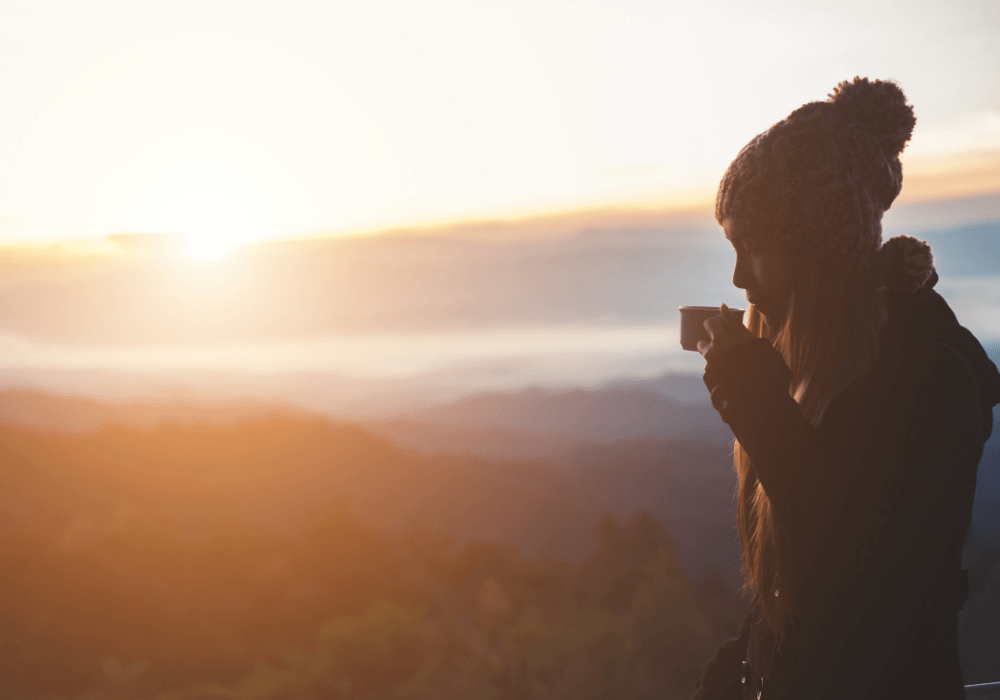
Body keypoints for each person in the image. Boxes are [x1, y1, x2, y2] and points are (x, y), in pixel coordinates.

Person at [688, 77, 1000, 700]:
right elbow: (792, 606)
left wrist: (752, 396)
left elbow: (857, 572)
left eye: (753, 247)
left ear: (817, 249)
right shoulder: (825, 371)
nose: (738, 276)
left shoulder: (928, 379)